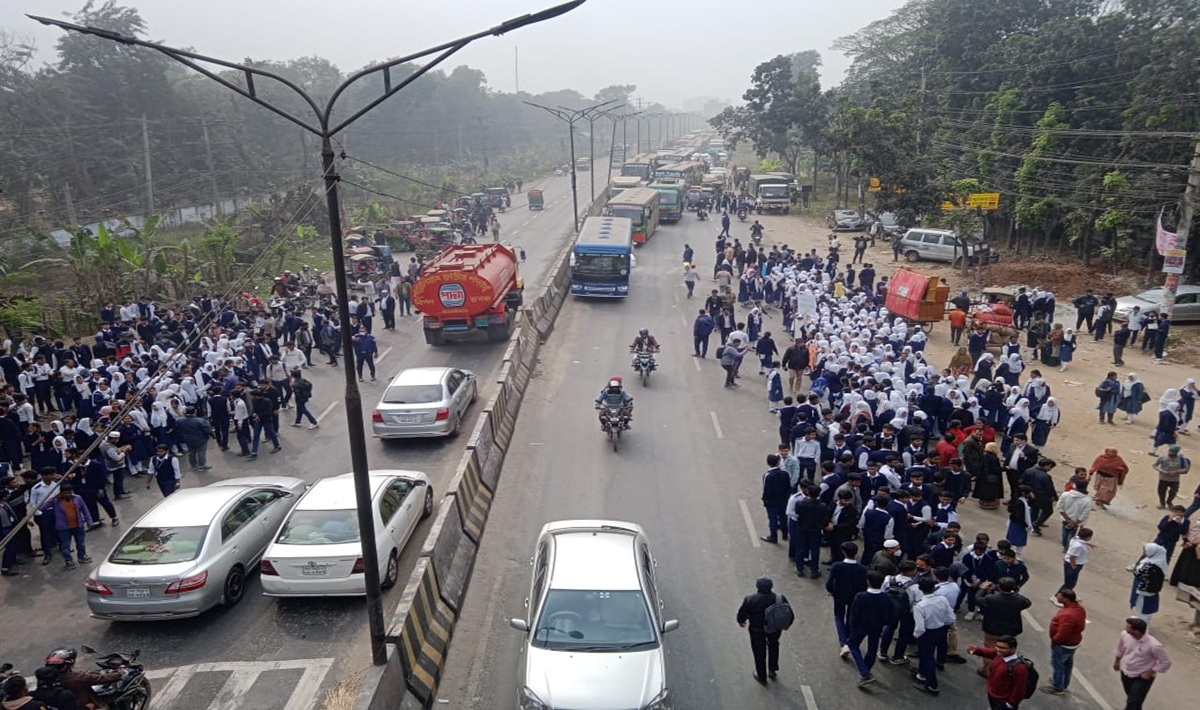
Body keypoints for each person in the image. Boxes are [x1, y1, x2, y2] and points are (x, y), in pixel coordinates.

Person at [846, 569, 897, 687]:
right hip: (877, 626)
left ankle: (865, 673)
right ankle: (866, 670)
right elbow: (892, 615)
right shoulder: (887, 597)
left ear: (868, 582)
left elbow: (854, 614)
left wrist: (852, 626)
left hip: (860, 626)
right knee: (872, 648)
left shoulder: (861, 596)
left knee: (853, 645)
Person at [736, 577, 788, 684]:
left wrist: (741, 621)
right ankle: (772, 669)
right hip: (774, 629)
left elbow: (742, 614)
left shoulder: (750, 599)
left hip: (757, 630)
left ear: (757, 587)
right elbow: (788, 613)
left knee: (759, 652)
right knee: (773, 646)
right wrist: (786, 625)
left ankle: (762, 676)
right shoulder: (779, 598)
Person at [975, 577, 1031, 674]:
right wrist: (1014, 593)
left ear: (999, 587)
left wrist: (983, 588)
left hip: (992, 630)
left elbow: (978, 598)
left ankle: (988, 671)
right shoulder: (1018, 600)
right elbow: (1027, 602)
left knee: (990, 651)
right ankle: (1004, 670)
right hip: (1010, 631)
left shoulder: (991, 599)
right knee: (1006, 651)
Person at [1113, 617, 1171, 710]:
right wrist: (1117, 661)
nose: (1127, 631)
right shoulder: (1125, 635)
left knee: (1132, 703)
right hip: (1126, 672)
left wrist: (1150, 672)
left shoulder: (1154, 645)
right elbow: (1120, 648)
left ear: (1137, 631)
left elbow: (1165, 662)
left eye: (1129, 629)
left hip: (1141, 677)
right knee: (1134, 701)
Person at [910, 576, 954, 696]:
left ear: (920, 589)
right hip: (940, 630)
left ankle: (932, 685)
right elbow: (951, 617)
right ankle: (922, 673)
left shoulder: (920, 606)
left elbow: (919, 627)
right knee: (933, 653)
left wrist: (916, 636)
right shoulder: (942, 599)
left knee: (927, 657)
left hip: (927, 633)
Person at [826, 541, 869, 658]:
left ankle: (843, 642)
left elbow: (830, 582)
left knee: (839, 617)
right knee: (850, 618)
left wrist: (831, 591)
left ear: (843, 552)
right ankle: (848, 639)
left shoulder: (837, 566)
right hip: (855, 597)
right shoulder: (863, 569)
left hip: (839, 595)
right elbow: (864, 585)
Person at [44, 648, 123, 710]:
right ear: (67, 665)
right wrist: (121, 673)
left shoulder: (45, 677)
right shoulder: (78, 678)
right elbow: (101, 678)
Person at [1041, 588, 1087, 696]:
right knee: (1067, 664)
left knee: (1058, 664)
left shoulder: (1068, 615)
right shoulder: (1079, 609)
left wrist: (1055, 640)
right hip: (1073, 642)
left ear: (1066, 599)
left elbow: (1063, 633)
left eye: (1059, 596)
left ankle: (1057, 687)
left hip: (1063, 644)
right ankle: (1063, 683)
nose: (1057, 596)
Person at [968, 635, 1030, 709]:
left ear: (1013, 649)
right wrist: (975, 650)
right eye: (997, 647)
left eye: (1003, 648)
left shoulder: (1020, 668)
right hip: (993, 694)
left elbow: (1020, 690)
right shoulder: (999, 654)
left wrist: (1010, 704)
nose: (998, 650)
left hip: (1002, 701)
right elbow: (989, 652)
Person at [50, 484, 93, 570]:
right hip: (64, 528)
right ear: (61, 493)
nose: (68, 494)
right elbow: (42, 507)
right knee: (65, 546)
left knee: (81, 543)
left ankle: (82, 557)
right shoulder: (56, 501)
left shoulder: (78, 498)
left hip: (78, 525)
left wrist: (89, 521)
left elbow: (85, 510)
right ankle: (68, 561)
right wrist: (52, 499)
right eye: (66, 493)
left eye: (70, 492)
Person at [1129, 542, 1167, 627]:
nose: (1144, 553)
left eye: (1145, 551)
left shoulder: (1150, 566)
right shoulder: (1159, 562)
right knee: (1146, 610)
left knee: (1143, 610)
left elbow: (1137, 573)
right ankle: (1142, 622)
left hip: (1144, 591)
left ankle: (1142, 628)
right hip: (1151, 591)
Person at [760, 455, 792, 544]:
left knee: (773, 519)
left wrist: (765, 500)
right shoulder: (785, 474)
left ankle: (773, 536)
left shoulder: (767, 475)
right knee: (783, 516)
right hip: (783, 500)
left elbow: (766, 489)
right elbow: (788, 487)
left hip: (772, 501)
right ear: (778, 462)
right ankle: (785, 533)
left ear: (767, 463)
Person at [1056, 479, 1093, 553]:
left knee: (1065, 533)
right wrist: (1074, 523)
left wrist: (1067, 519)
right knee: (1072, 536)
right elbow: (1084, 514)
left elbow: (1059, 507)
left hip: (1065, 519)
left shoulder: (1065, 494)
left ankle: (1064, 546)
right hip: (1078, 523)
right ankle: (1067, 548)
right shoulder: (1088, 500)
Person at [1152, 444, 1190, 509]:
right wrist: (1162, 471)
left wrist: (1176, 472)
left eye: (1172, 452)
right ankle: (1162, 503)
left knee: (1173, 492)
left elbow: (1186, 468)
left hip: (1175, 480)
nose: (1170, 453)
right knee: (1161, 491)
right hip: (1163, 478)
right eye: (1170, 451)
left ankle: (1169, 502)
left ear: (1176, 452)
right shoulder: (1163, 457)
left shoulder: (1181, 459)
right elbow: (1155, 465)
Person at [1061, 527, 1093, 592]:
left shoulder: (1075, 539)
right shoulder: (1079, 546)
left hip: (1074, 564)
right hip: (1073, 565)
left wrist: (1087, 543)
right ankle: (1058, 596)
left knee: (1071, 583)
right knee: (1069, 583)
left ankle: (1068, 595)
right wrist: (1074, 567)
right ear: (1088, 537)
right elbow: (1072, 557)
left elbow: (1078, 539)